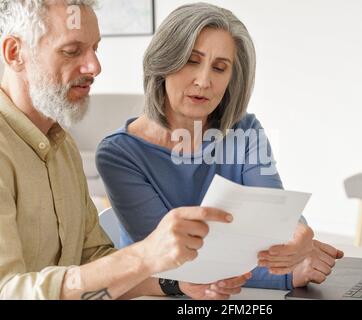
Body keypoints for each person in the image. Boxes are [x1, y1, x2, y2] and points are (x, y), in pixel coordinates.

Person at [0, 0, 250, 300]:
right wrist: (144, 255)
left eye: (95, 49)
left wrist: (174, 283)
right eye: (72, 51)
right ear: (15, 53)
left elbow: (93, 261)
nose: (95, 67)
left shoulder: (62, 146)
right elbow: (8, 291)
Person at [96, 2, 344, 298]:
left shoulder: (246, 130)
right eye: (191, 60)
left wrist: (297, 239)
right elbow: (171, 262)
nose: (204, 81)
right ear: (163, 62)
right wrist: (287, 274)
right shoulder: (119, 154)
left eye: (219, 67)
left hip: (231, 292)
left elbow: (274, 211)